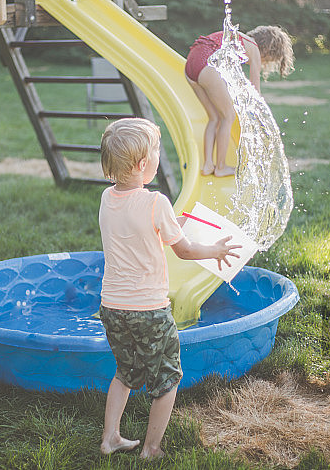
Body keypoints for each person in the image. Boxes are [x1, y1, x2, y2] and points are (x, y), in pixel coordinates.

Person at [98, 118, 241, 459]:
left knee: (126, 372)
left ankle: (110, 439)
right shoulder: (156, 202)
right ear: (143, 165)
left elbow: (136, 229)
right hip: (148, 310)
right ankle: (151, 449)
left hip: (112, 307)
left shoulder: (107, 198)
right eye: (157, 152)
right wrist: (216, 250)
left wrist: (172, 224)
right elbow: (185, 250)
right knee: (167, 377)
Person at [185, 25, 295, 177]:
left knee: (214, 117)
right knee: (228, 116)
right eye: (267, 61)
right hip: (206, 64)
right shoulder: (254, 48)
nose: (263, 64)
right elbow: (255, 90)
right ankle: (221, 167)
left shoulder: (238, 39)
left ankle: (208, 165)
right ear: (269, 50)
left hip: (191, 64)